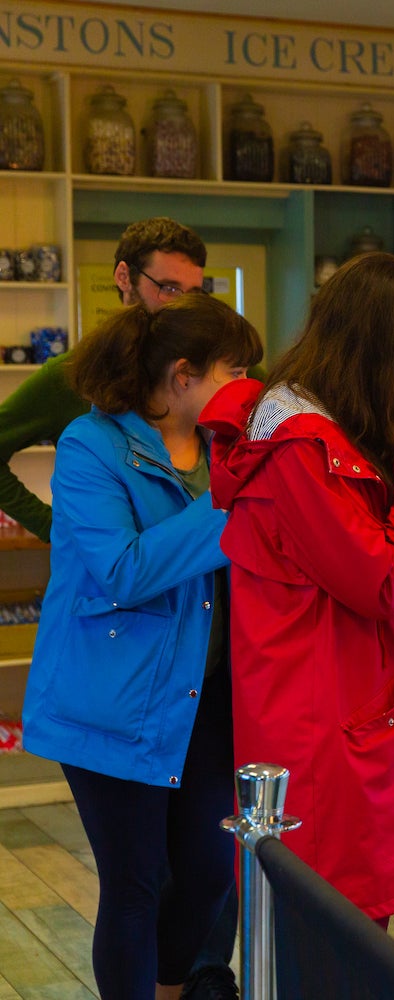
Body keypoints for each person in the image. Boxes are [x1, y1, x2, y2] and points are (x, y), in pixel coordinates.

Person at [203, 252, 394, 993]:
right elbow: (381, 582)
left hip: (390, 738)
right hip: (338, 753)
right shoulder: (299, 450)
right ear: (373, 344)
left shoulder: (345, 434)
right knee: (344, 969)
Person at [21, 294, 263, 1000]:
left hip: (205, 696)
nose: (245, 383)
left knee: (214, 869)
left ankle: (165, 989)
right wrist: (226, 506)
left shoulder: (226, 446)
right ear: (182, 375)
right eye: (235, 368)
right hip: (114, 700)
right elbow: (123, 570)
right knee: (133, 883)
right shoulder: (90, 445)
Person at [0, 217, 207, 542]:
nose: (183, 305)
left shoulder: (206, 368)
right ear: (124, 277)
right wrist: (53, 528)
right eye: (168, 288)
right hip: (108, 580)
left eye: (194, 293)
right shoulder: (73, 373)